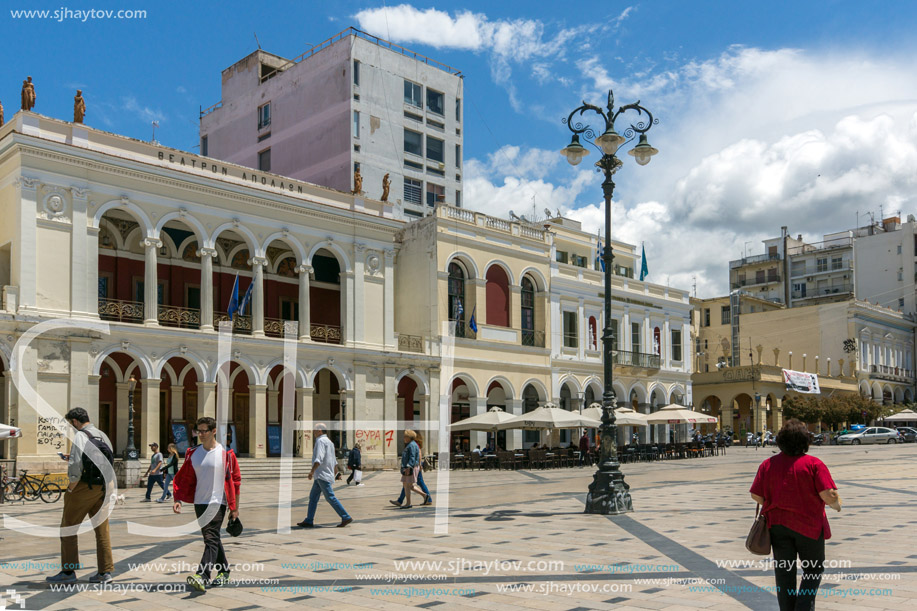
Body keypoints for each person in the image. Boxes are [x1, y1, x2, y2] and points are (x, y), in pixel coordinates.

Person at [750, 419, 841, 611]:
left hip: (778, 527)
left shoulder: (768, 464)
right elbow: (828, 495)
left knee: (784, 573)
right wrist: (837, 505)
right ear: (805, 440)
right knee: (813, 569)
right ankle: (803, 607)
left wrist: (776, 501)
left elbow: (756, 495)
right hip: (809, 527)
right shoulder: (814, 464)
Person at [172, 417, 241, 592]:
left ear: (214, 431)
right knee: (212, 538)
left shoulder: (226, 454)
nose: (201, 434)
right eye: (198, 431)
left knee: (210, 538)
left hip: (218, 502)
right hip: (200, 501)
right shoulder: (193, 453)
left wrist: (235, 508)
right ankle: (224, 571)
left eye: (205, 431)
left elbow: (236, 481)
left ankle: (202, 575)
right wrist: (178, 498)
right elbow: (183, 477)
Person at [46, 407, 114, 584]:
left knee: (68, 527)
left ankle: (68, 572)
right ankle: (105, 572)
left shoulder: (80, 436)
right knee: (102, 530)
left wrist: (70, 488)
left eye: (71, 424)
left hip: (84, 487)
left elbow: (76, 467)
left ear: (75, 421)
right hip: (103, 488)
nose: (71, 428)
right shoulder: (102, 435)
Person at [297, 423, 352, 528]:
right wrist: (336, 472)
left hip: (322, 474)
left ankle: (345, 516)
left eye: (315, 430)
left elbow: (319, 458)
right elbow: (333, 459)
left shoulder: (320, 441)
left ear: (320, 431)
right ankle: (309, 520)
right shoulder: (329, 442)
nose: (313, 432)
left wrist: (312, 471)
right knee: (313, 497)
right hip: (322, 475)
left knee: (330, 497)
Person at [390, 432, 432, 507]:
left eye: (405, 437)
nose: (404, 438)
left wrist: (409, 467)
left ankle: (409, 503)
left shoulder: (412, 445)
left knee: (408, 485)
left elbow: (412, 457)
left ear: (409, 437)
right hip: (411, 467)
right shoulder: (412, 444)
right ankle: (424, 496)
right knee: (407, 485)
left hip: (410, 467)